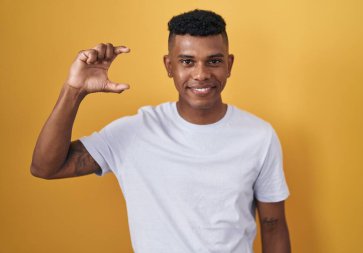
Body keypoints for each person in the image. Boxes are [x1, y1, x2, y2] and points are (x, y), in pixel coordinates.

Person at [31, 9, 291, 253]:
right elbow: (46, 167)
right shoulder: (133, 132)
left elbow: (273, 224)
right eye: (187, 61)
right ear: (169, 66)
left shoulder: (259, 136)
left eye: (213, 61)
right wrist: (74, 90)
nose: (201, 74)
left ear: (229, 65)